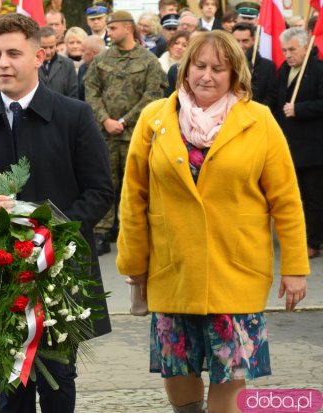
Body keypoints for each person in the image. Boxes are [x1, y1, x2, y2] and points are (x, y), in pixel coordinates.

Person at [117, 30, 309, 413]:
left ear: (234, 74)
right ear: (184, 70)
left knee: (231, 371)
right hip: (174, 272)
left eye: (218, 69)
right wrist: (133, 264)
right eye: (199, 66)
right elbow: (133, 200)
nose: (207, 75)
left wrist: (295, 267)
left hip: (236, 272)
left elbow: (286, 200)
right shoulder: (154, 120)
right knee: (178, 367)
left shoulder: (259, 120)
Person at [0, 13, 113, 413]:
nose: (3, 63)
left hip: (59, 268)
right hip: (1, 270)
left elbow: (100, 190)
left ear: (38, 56)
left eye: (14, 53)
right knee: (11, 378)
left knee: (58, 378)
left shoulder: (74, 115)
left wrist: (57, 232)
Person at [85, 10, 167, 256]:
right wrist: (105, 119)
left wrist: (124, 120)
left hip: (135, 134)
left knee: (136, 184)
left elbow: (154, 95)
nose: (109, 33)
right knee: (105, 182)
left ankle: (135, 231)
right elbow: (90, 91)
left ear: (128, 29)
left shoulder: (148, 61)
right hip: (106, 134)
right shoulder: (101, 60)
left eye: (113, 28)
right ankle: (102, 231)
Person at [274, 28, 323, 259]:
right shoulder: (284, 69)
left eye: (292, 49)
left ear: (306, 47)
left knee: (314, 196)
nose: (287, 54)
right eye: (284, 50)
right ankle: (301, 237)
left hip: (314, 145)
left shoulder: (319, 70)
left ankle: (314, 241)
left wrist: (299, 109)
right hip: (291, 143)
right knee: (298, 196)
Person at [232, 23, 277, 108]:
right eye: (236, 41)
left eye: (245, 41)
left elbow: (271, 96)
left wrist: (256, 111)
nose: (240, 45)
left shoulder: (267, 66)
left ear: (253, 40)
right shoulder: (225, 64)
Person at [38, 26, 77, 98]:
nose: (48, 52)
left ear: (56, 44)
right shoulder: (29, 65)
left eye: (51, 47)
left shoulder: (68, 64)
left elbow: (73, 95)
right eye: (44, 48)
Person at [78, 34, 105, 101]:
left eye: (83, 51)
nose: (80, 54)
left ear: (94, 53)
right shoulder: (83, 68)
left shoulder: (108, 69)